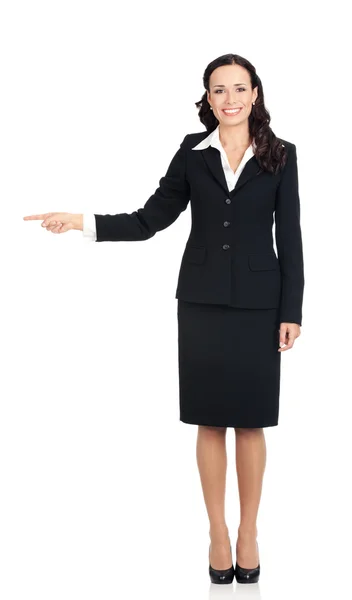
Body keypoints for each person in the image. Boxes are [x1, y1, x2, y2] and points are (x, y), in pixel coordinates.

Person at [23, 53, 304, 585]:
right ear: (207, 99)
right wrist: (79, 220)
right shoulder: (191, 153)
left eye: (239, 88)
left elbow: (289, 238)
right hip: (200, 302)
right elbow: (149, 219)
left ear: (256, 94)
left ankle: (249, 533)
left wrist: (292, 311)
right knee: (209, 418)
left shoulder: (282, 155)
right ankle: (217, 535)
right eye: (218, 90)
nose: (230, 99)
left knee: (251, 419)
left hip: (258, 306)